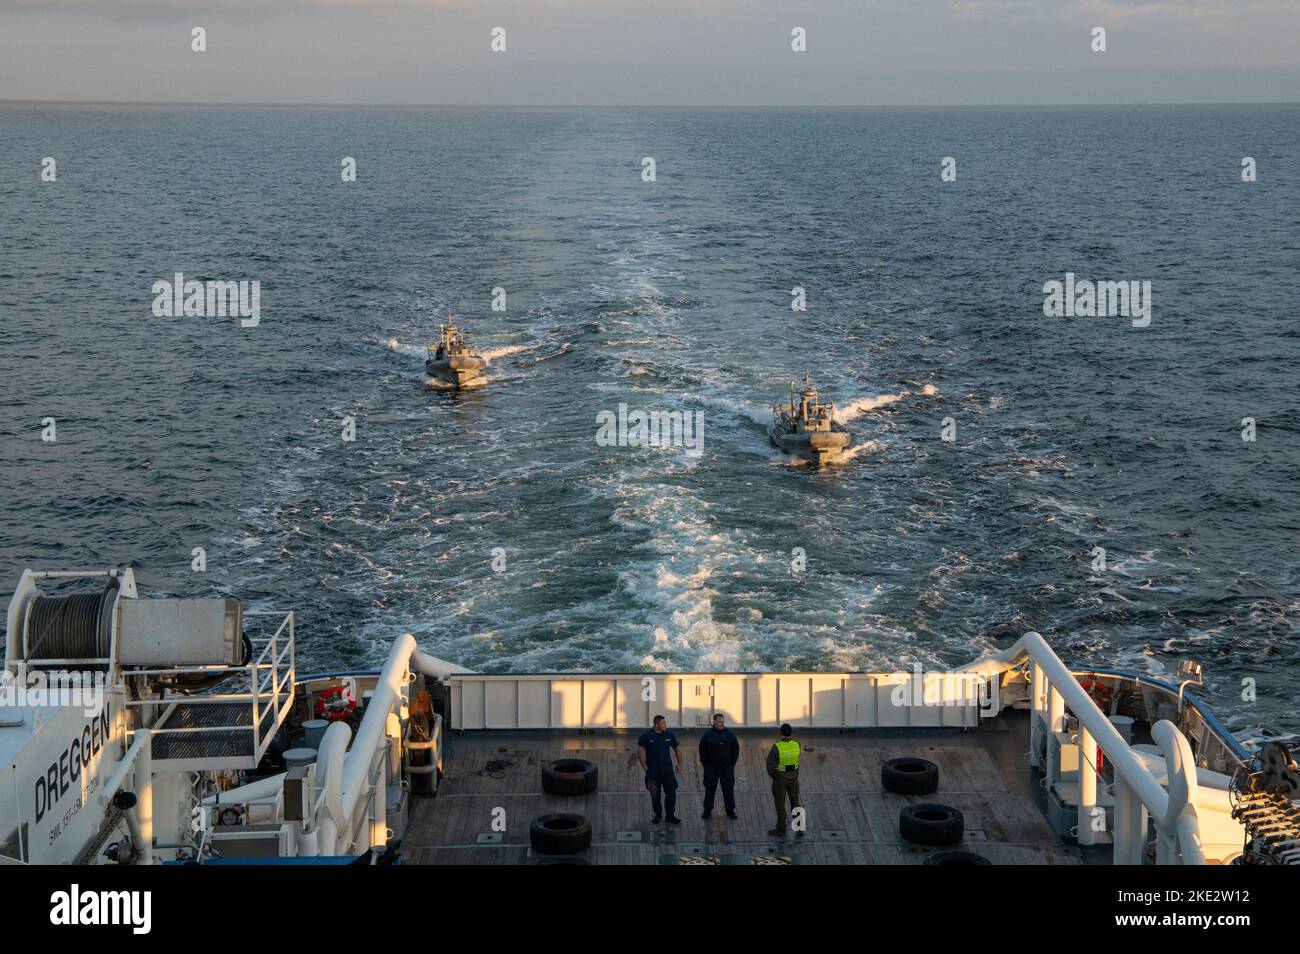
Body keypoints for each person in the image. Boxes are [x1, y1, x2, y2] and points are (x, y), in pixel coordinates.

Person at [637, 715, 682, 824]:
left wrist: (680, 764)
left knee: (671, 793)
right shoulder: (646, 737)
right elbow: (640, 752)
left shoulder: (669, 735)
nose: (665, 725)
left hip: (667, 771)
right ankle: (658, 815)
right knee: (655, 795)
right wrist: (645, 768)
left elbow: (677, 749)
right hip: (653, 772)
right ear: (656, 724)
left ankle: (670, 815)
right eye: (663, 723)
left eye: (665, 723)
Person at [698, 713, 740, 819]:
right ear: (714, 722)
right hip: (711, 769)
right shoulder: (707, 736)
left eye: (723, 721)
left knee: (728, 791)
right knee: (709, 791)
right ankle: (707, 810)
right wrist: (707, 765)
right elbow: (702, 751)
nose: (722, 724)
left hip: (727, 769)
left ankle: (730, 810)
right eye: (720, 721)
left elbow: (736, 750)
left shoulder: (730, 735)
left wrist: (731, 764)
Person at [766, 722, 804, 837]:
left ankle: (781, 829)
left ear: (780, 733)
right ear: (791, 733)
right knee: (796, 803)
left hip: (780, 779)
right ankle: (799, 829)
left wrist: (774, 776)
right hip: (794, 778)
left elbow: (769, 765)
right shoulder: (797, 744)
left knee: (780, 804)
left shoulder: (776, 747)